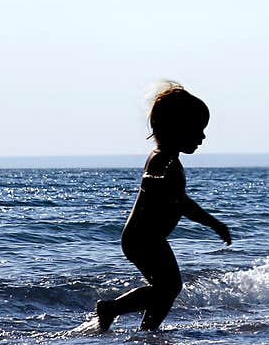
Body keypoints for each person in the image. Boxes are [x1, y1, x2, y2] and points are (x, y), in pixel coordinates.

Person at [95, 82, 231, 331]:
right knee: (169, 287)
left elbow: (179, 201)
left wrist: (212, 222)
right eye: (197, 129)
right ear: (175, 128)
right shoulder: (161, 160)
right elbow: (178, 200)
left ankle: (148, 329)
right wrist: (214, 223)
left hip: (148, 238)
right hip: (143, 238)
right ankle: (112, 309)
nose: (202, 137)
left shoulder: (169, 160)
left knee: (166, 288)